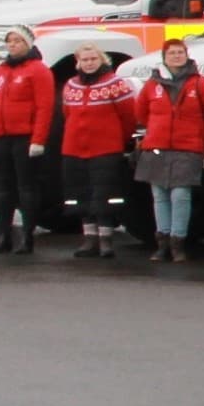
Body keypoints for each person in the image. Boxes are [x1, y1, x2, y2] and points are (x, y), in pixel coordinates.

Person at [135, 38, 204, 262]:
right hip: (157, 147)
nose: (176, 56)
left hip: (187, 147)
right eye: (172, 53)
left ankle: (178, 243)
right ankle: (162, 243)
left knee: (180, 195)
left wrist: (203, 138)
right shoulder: (152, 84)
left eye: (180, 52)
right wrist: (155, 131)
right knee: (159, 195)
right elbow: (140, 112)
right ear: (164, 57)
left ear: (186, 55)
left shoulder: (199, 83)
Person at [0, 24, 55, 254]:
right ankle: (4, 235)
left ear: (28, 43)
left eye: (17, 41)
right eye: (9, 41)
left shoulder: (38, 70)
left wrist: (38, 139)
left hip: (25, 137)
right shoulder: (0, 71)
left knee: (26, 187)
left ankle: (27, 236)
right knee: (4, 189)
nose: (12, 45)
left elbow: (44, 107)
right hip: (1, 136)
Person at [63, 44, 136, 259]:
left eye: (93, 59)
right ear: (78, 63)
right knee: (81, 193)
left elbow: (128, 116)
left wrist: (119, 139)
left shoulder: (115, 84)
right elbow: (67, 113)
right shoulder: (71, 85)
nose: (89, 63)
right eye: (85, 60)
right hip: (74, 149)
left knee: (104, 194)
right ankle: (89, 238)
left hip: (105, 149)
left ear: (102, 60)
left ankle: (106, 239)